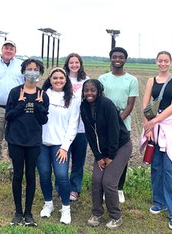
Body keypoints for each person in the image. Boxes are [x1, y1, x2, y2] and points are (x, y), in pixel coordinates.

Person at [140, 51, 172, 230]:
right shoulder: (151, 80)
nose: (163, 63)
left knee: (171, 169)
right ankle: (159, 201)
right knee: (156, 166)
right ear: (156, 62)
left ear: (170, 62)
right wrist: (147, 127)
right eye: (160, 61)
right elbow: (145, 104)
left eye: (166, 61)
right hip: (154, 126)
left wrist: (154, 122)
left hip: (170, 126)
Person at [81, 79, 132, 230]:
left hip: (120, 146)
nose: (89, 93)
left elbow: (114, 132)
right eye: (86, 90)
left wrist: (110, 156)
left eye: (92, 90)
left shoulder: (106, 104)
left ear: (98, 90)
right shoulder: (83, 106)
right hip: (102, 150)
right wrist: (98, 156)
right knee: (96, 179)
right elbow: (90, 134)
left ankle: (116, 217)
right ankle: (96, 213)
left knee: (109, 182)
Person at [5, 58, 49, 226]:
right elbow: (8, 116)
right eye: (29, 68)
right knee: (17, 175)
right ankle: (18, 212)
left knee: (31, 176)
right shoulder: (15, 92)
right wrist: (20, 104)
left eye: (35, 69)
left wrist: (38, 106)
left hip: (33, 142)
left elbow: (43, 120)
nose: (32, 72)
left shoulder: (42, 95)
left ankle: (28, 213)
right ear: (23, 71)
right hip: (16, 140)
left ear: (39, 72)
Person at [37, 67, 80, 225]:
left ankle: (65, 208)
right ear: (50, 79)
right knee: (44, 174)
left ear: (66, 80)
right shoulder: (42, 95)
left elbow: (73, 124)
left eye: (61, 78)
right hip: (42, 143)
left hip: (60, 145)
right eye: (55, 78)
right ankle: (48, 204)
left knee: (62, 176)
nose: (58, 81)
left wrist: (65, 147)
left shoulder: (72, 98)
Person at [98, 47, 139, 203]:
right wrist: (109, 122)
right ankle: (105, 187)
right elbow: (100, 101)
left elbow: (130, 105)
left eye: (121, 57)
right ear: (111, 59)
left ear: (125, 59)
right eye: (114, 57)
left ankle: (119, 188)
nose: (117, 59)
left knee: (121, 158)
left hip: (123, 124)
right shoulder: (103, 78)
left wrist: (117, 121)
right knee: (106, 154)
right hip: (105, 124)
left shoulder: (132, 80)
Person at [0, 40, 24, 183]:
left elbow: (30, 84)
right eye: (6, 48)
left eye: (11, 48)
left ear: (15, 51)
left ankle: (14, 169)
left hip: (17, 110)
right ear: (2, 49)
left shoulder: (21, 65)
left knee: (14, 141)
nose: (8, 50)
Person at [62, 53, 89, 202]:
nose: (74, 65)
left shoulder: (86, 80)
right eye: (71, 62)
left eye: (76, 62)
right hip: (63, 127)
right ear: (67, 64)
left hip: (81, 128)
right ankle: (61, 186)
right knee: (62, 159)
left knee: (78, 161)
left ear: (80, 64)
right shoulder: (62, 78)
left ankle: (74, 189)